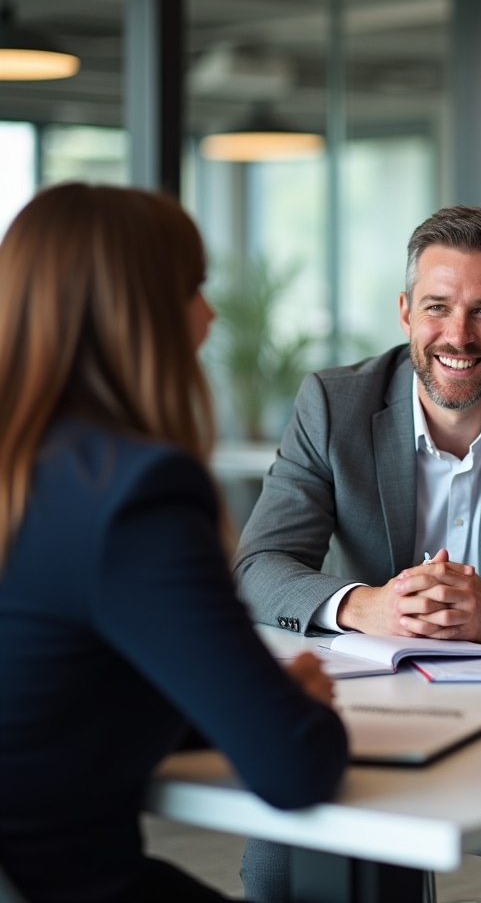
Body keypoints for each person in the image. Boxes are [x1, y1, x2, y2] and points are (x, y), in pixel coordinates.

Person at [233, 205, 481, 903]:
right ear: (405, 312)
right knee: (278, 871)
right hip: (357, 705)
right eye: (437, 307)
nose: (458, 335)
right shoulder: (334, 405)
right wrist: (367, 606)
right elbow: (259, 566)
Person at [0, 184, 348, 903]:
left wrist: (238, 702)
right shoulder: (129, 493)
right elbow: (294, 769)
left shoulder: (31, 472)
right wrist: (295, 705)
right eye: (192, 287)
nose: (210, 314)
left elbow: (56, 689)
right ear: (141, 315)